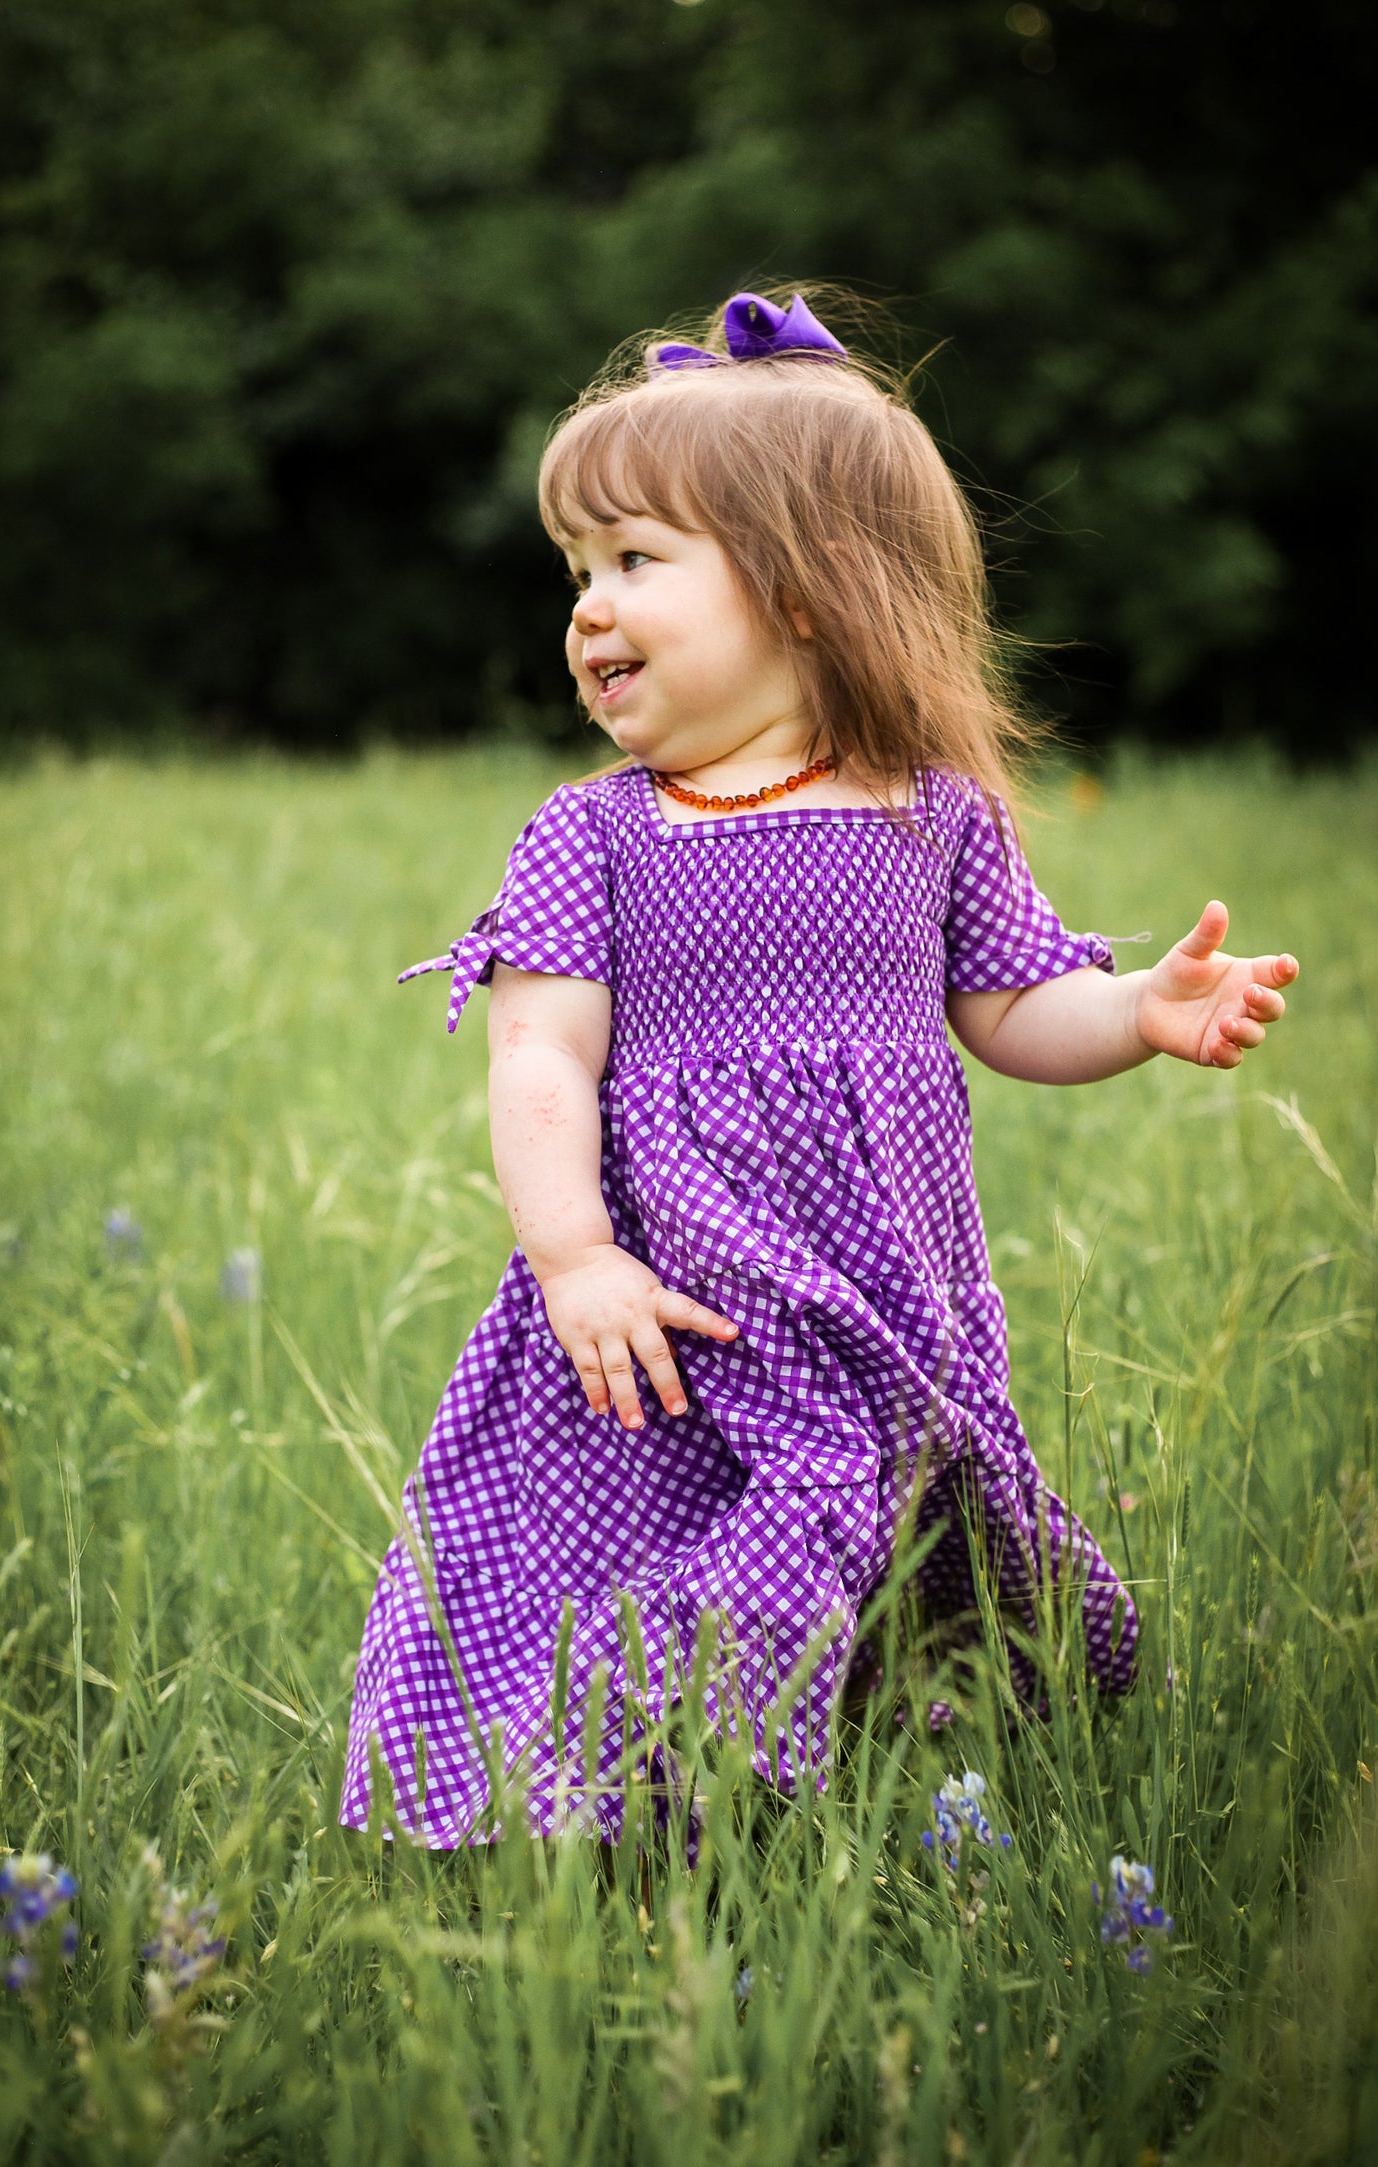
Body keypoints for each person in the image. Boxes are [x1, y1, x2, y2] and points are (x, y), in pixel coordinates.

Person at [340, 291, 1298, 1847]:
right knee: (665, 1541)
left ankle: (881, 1766)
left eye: (633, 562)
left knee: (906, 1526)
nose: (585, 607)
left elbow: (1010, 1010)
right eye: (576, 570)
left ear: (806, 591)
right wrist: (573, 1255)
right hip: (670, 1311)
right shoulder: (594, 836)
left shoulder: (934, 816)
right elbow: (537, 1056)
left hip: (880, 1303)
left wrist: (1132, 1013)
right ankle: (646, 1794)